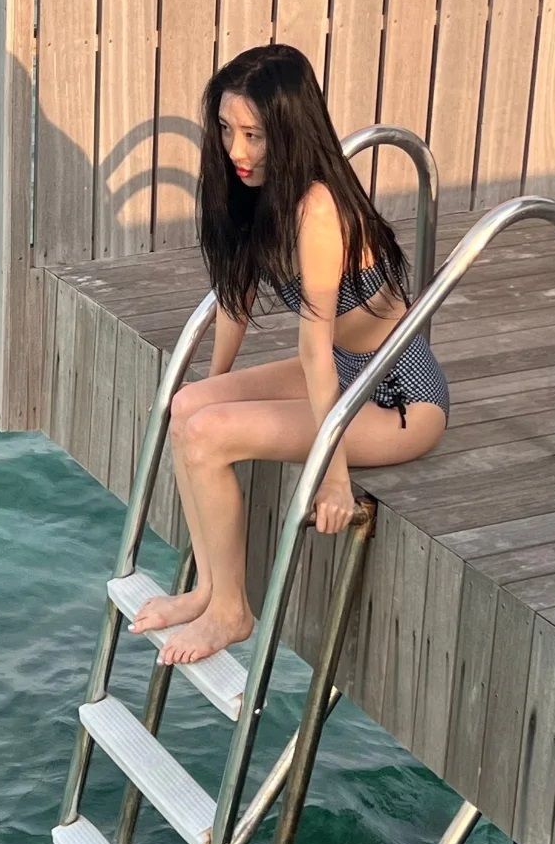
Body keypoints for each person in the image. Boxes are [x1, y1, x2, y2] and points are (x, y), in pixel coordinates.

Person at [129, 42, 450, 665]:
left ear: (289, 130)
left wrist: (334, 478)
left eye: (254, 135)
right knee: (189, 409)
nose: (237, 150)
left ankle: (232, 612)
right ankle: (208, 590)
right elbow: (237, 300)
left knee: (209, 433)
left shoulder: (319, 209)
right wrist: (210, 392)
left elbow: (315, 353)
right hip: (347, 376)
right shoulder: (259, 188)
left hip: (397, 399)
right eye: (227, 130)